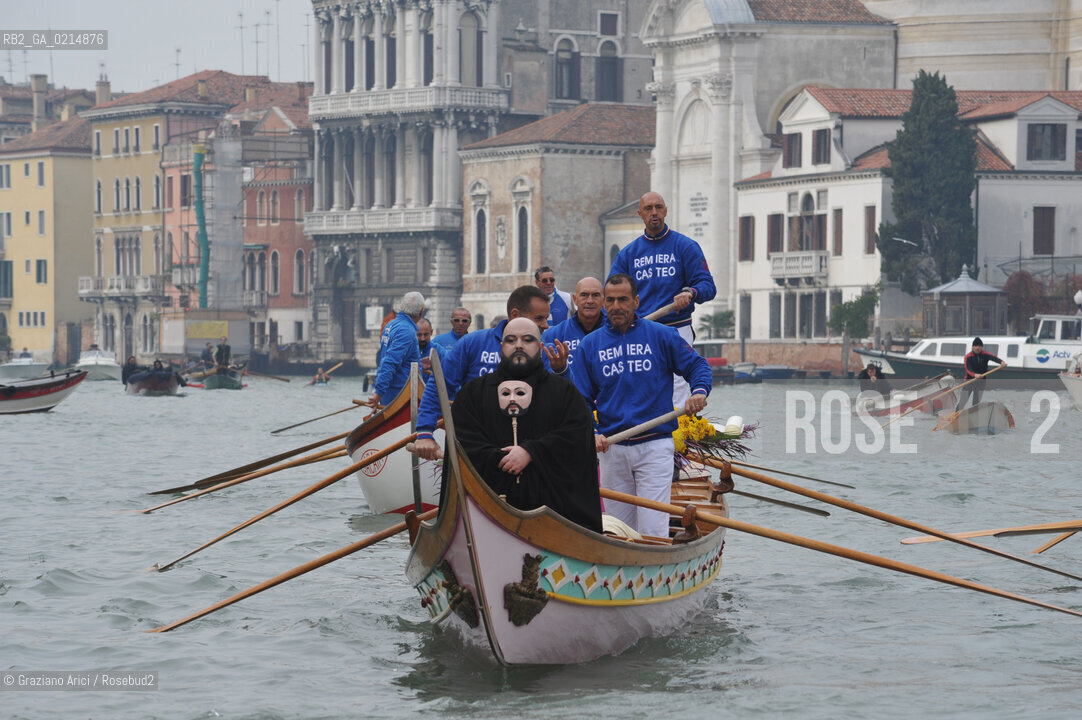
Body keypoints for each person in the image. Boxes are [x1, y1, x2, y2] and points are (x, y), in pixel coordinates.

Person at [572, 273, 712, 539]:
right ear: (604, 304)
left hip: (654, 446)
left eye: (623, 299)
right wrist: (591, 432)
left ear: (636, 301)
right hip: (612, 447)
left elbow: (696, 366)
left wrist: (699, 391)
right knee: (616, 530)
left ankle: (655, 571)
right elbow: (579, 399)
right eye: (610, 300)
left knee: (652, 529)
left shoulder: (662, 336)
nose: (616, 306)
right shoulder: (590, 346)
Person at [450, 317, 603, 532]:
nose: (519, 345)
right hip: (486, 515)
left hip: (553, 518)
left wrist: (532, 452)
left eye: (527, 340)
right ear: (501, 347)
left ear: (540, 347)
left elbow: (577, 439)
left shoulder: (565, 393)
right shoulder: (473, 393)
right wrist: (501, 458)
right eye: (511, 340)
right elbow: (462, 441)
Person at [414, 285, 570, 461]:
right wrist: (425, 432)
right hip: (478, 447)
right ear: (516, 316)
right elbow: (440, 386)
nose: (546, 325)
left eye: (546, 318)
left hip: (528, 450)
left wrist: (561, 371)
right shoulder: (471, 343)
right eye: (539, 318)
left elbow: (562, 399)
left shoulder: (545, 350)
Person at [609, 191, 716, 406]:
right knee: (640, 386)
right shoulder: (628, 254)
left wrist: (690, 293)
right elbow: (611, 295)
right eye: (648, 209)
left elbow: (707, 286)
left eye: (658, 207)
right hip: (641, 331)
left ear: (666, 211)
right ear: (640, 214)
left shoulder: (686, 247)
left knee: (679, 388)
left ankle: (679, 435)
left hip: (677, 329)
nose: (654, 213)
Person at [364, 291, 425, 409]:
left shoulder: (391, 325)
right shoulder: (407, 331)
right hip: (400, 393)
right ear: (421, 312)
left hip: (393, 391)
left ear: (402, 307)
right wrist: (378, 395)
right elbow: (389, 362)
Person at [542, 276, 604, 367]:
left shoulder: (615, 331)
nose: (590, 301)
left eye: (595, 295)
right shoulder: (553, 336)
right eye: (584, 295)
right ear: (575, 299)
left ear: (603, 300)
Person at [957, 337, 1007, 409]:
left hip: (981, 382)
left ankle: (974, 417)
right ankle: (955, 416)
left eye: (979, 346)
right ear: (972, 347)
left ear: (982, 347)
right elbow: (968, 369)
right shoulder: (968, 357)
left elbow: (994, 358)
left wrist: (1002, 362)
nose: (977, 348)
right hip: (969, 381)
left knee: (976, 403)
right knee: (962, 402)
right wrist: (975, 375)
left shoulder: (985, 354)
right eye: (976, 346)